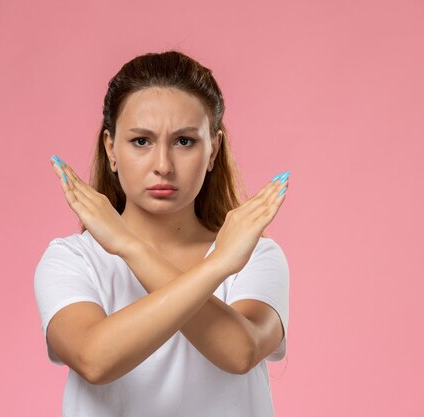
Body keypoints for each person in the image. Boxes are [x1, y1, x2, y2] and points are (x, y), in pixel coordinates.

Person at [34, 50, 290, 417]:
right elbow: (94, 360)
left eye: (184, 141)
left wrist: (130, 247)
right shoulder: (72, 259)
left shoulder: (257, 256)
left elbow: (240, 352)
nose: (163, 166)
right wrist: (216, 264)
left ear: (213, 149)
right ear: (111, 149)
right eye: (141, 141)